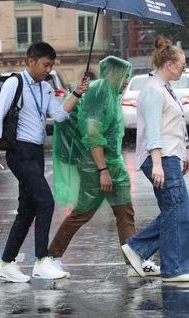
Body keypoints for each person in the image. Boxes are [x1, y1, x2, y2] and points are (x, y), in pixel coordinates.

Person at [48, 55, 160, 277]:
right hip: (96, 165)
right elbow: (92, 134)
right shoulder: (99, 93)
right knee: (82, 212)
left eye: (128, 76)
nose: (127, 81)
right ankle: (52, 256)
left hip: (113, 163)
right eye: (124, 76)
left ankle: (134, 260)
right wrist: (102, 171)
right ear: (113, 73)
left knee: (125, 213)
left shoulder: (111, 92)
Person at [0, 42, 89, 283]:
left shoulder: (45, 89)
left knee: (28, 209)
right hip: (18, 150)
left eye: (51, 65)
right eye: (45, 64)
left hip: (35, 152)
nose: (48, 69)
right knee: (45, 201)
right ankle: (42, 261)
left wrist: (77, 93)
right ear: (30, 61)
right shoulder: (15, 83)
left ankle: (6, 263)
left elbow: (60, 116)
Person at [121, 36, 189, 282]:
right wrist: (158, 164)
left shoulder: (164, 88)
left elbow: (174, 125)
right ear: (169, 63)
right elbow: (152, 130)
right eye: (182, 63)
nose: (184, 68)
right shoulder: (152, 90)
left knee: (178, 210)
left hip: (171, 155)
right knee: (176, 210)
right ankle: (174, 268)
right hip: (161, 157)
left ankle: (138, 249)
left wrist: (185, 151)